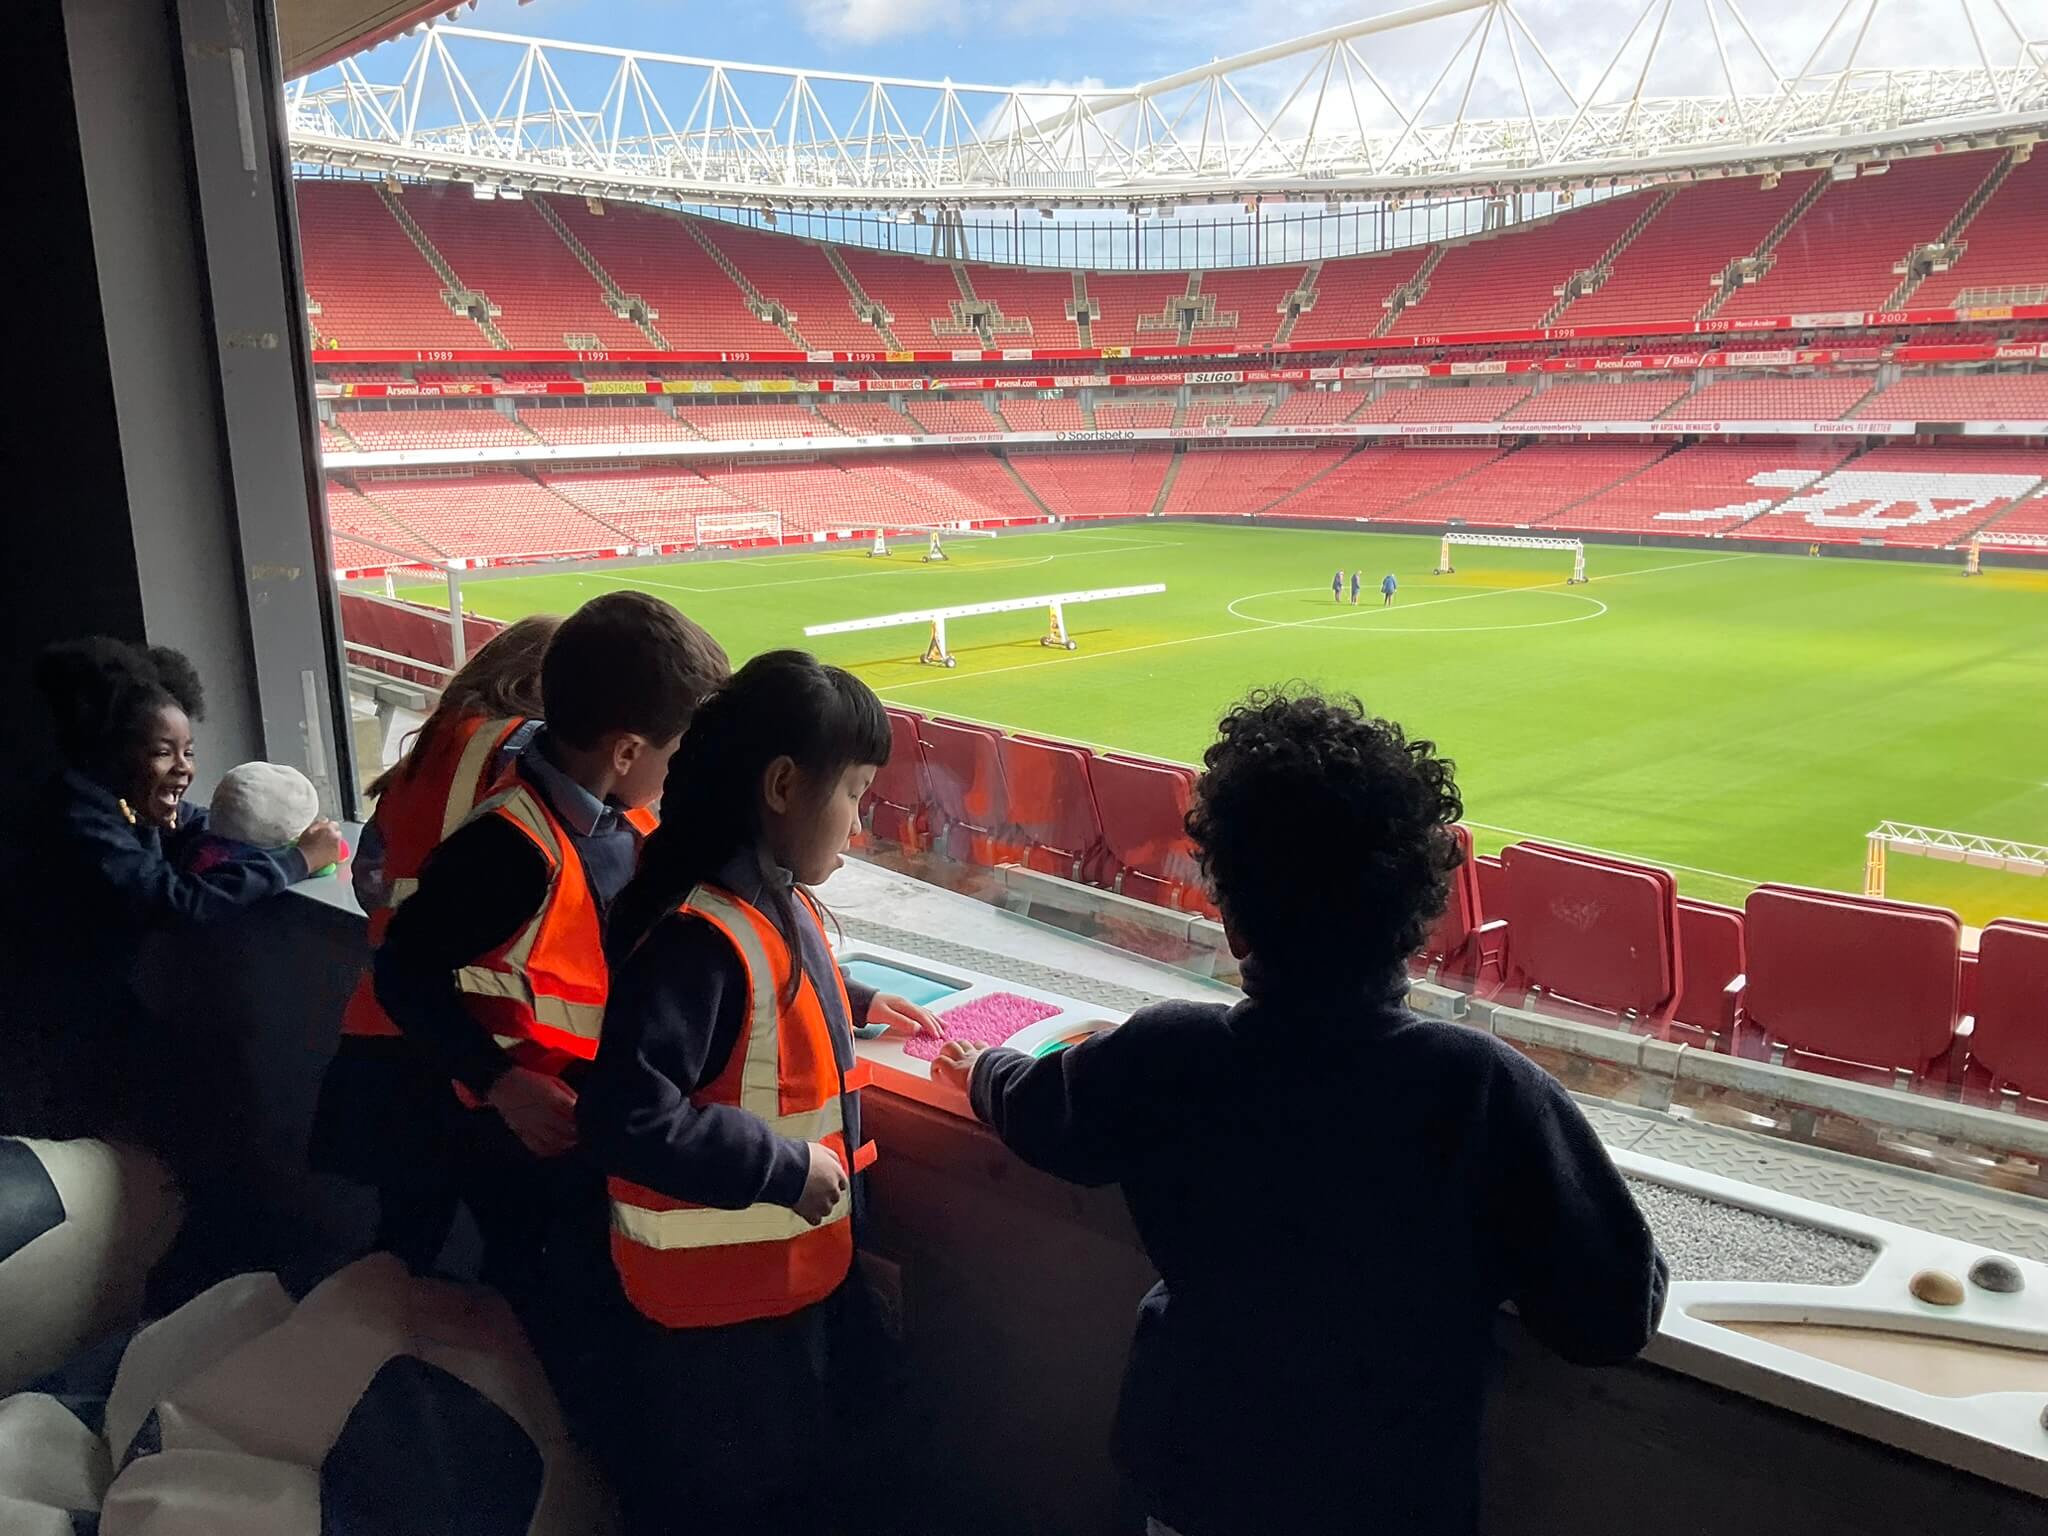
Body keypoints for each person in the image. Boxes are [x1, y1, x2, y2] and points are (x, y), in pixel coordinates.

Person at [934, 689, 1666, 1536]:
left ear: (1233, 919)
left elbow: (1043, 1112)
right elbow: (1611, 1313)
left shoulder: (1168, 1052)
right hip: (1390, 1501)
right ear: (1417, 915)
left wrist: (981, 1069)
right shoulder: (1482, 1089)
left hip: (1197, 1480)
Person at [575, 650, 942, 1535]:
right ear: (782, 786)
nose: (859, 821)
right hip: (719, 1329)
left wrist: (856, 1000)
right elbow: (625, 1115)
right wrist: (782, 1170)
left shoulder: (770, 899)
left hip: (781, 1293)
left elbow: (768, 997)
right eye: (854, 793)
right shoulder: (699, 935)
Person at [371, 592, 727, 1303]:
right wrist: (500, 1083)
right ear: (626, 751)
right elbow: (403, 971)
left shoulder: (626, 821)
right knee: (538, 1302)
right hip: (519, 1140)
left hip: (586, 1132)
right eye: (679, 753)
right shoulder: (507, 849)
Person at [9, 638, 341, 1147]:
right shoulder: (78, 819)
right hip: (54, 1021)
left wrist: (256, 832)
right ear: (114, 754)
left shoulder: (119, 800)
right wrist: (298, 861)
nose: (184, 767)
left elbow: (189, 823)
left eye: (189, 751)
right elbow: (177, 902)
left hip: (96, 1003)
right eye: (163, 753)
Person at [308, 615, 560, 1274]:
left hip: (385, 1035)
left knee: (404, 1242)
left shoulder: (424, 755)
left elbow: (372, 884)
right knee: (520, 1258)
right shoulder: (528, 753)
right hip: (475, 1046)